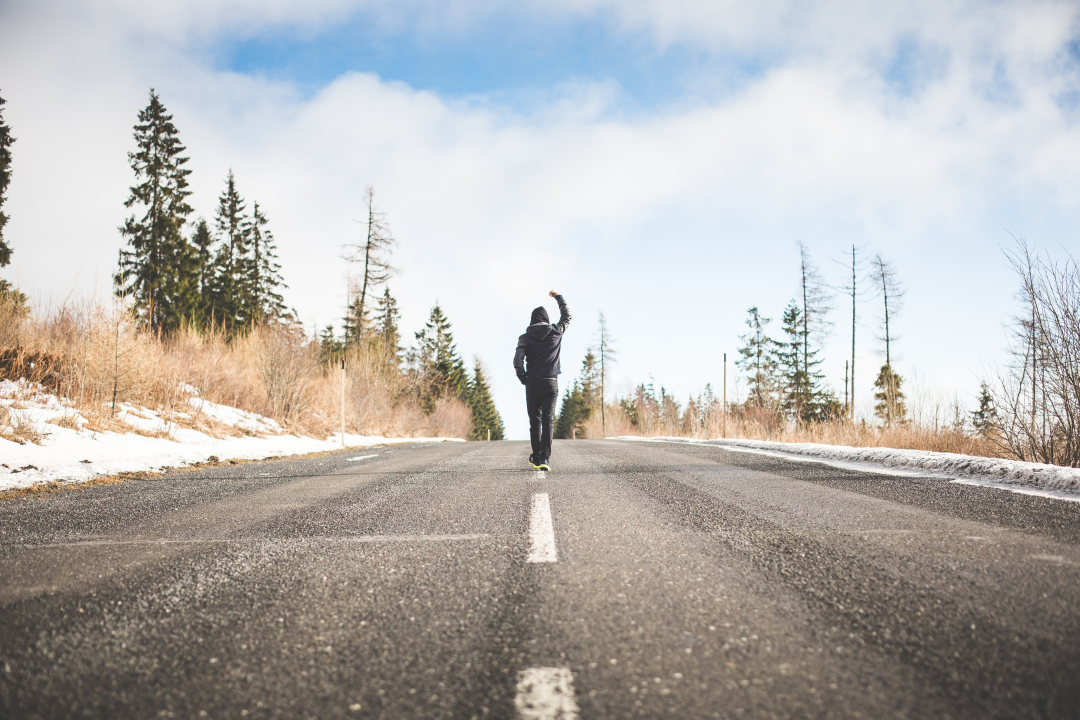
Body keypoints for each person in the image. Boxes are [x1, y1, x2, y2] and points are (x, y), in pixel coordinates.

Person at [513, 290, 571, 470]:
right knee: (548, 421)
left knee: (535, 422)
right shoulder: (555, 331)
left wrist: (524, 378)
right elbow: (567, 316)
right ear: (546, 319)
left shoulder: (525, 337)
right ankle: (545, 459)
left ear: (532, 321)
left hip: (533, 384)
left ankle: (536, 457)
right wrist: (558, 297)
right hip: (550, 382)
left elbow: (517, 360)